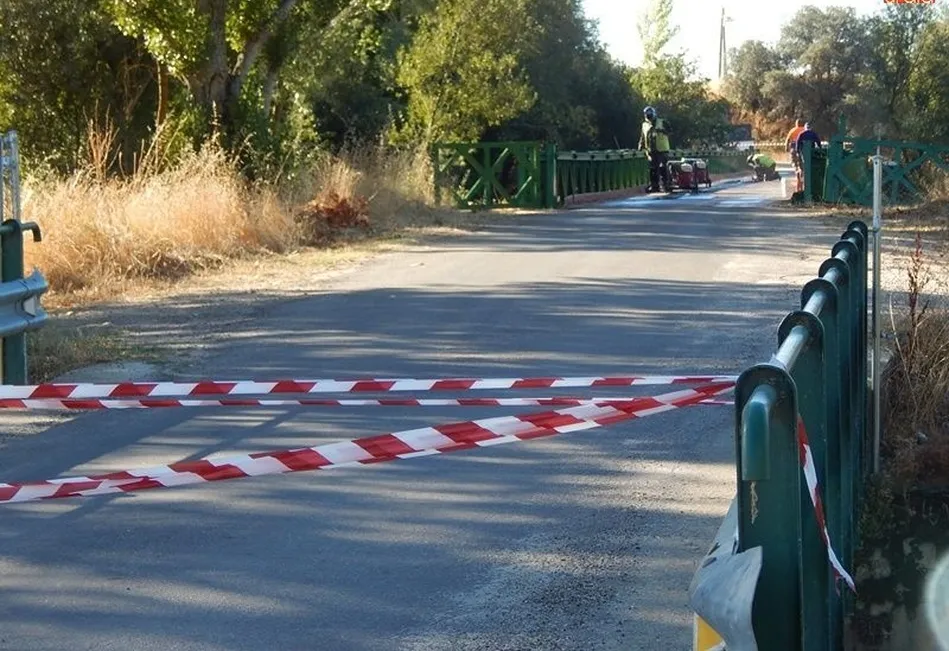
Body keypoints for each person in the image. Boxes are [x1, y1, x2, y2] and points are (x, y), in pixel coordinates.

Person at [638, 106, 672, 192]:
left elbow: (670, 131)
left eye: (650, 115)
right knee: (652, 169)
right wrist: (640, 145)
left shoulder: (662, 122)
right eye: (647, 115)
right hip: (651, 150)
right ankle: (654, 186)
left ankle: (665, 185)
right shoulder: (644, 125)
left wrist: (662, 131)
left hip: (662, 149)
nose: (649, 117)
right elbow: (643, 136)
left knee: (662, 167)